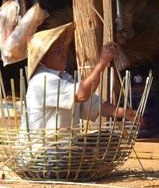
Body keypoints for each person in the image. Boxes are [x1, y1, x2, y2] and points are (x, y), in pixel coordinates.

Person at [19, 22, 139, 179]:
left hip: (64, 148)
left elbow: (92, 104)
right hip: (41, 155)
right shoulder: (43, 80)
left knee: (108, 140)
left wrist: (127, 114)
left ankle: (81, 168)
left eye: (63, 50)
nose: (64, 55)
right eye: (57, 51)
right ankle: (79, 169)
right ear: (43, 59)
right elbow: (82, 94)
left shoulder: (64, 78)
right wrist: (102, 63)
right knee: (74, 152)